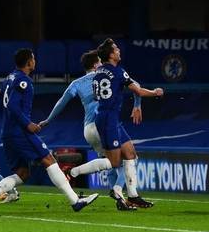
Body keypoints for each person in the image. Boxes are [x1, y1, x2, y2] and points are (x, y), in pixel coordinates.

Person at [0, 48, 99, 216]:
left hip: (8, 132)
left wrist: (9, 123)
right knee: (49, 159)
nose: (35, 61)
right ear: (29, 62)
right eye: (33, 59)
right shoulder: (23, 81)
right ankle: (75, 201)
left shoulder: (8, 79)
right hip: (20, 131)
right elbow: (12, 105)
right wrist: (27, 124)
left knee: (22, 174)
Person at [39, 50, 143, 211]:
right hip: (105, 124)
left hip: (88, 129)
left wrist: (48, 120)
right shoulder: (108, 75)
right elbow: (136, 87)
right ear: (96, 65)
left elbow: (62, 102)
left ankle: (119, 200)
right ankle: (85, 176)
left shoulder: (77, 83)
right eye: (100, 62)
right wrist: (137, 105)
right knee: (129, 158)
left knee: (109, 162)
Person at [66, 38, 163, 209]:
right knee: (113, 162)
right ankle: (73, 172)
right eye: (116, 49)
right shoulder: (118, 72)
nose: (119, 51)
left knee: (131, 153)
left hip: (108, 117)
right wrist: (155, 92)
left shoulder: (98, 72)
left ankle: (133, 196)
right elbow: (138, 90)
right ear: (111, 55)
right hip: (108, 118)